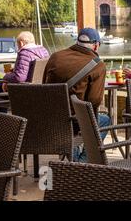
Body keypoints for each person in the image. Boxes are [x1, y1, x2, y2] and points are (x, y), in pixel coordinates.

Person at [43, 28, 111, 162]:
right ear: (96, 45)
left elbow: (44, 86)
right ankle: (82, 162)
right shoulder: (98, 65)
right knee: (104, 120)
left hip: (49, 119)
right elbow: (94, 102)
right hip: (74, 121)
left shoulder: (55, 56)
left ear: (77, 41)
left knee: (75, 121)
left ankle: (73, 160)